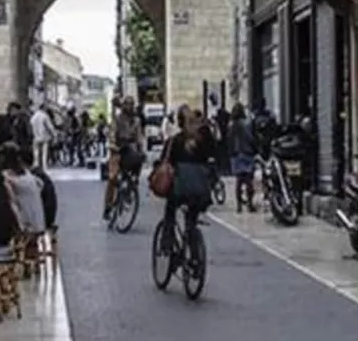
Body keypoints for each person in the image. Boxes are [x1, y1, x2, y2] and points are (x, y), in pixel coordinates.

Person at [158, 105, 219, 244]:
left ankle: (167, 239)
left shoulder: (174, 142)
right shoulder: (204, 140)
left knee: (170, 208)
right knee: (192, 217)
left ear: (179, 123)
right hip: (201, 191)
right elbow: (214, 156)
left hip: (180, 191)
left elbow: (164, 163)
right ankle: (192, 242)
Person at [105, 97, 144, 213]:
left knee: (139, 159)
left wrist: (141, 149)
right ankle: (108, 205)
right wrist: (113, 145)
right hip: (117, 149)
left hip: (129, 150)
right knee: (112, 178)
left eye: (132, 104)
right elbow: (112, 133)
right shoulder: (117, 119)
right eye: (128, 104)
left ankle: (132, 186)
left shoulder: (136, 121)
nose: (130, 107)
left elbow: (139, 137)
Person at [3, 144, 46, 236]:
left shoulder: (10, 180)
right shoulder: (31, 176)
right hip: (39, 223)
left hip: (28, 227)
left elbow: (12, 201)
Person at [228, 104, 258, 212]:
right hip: (246, 153)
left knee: (239, 180)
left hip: (235, 155)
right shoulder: (245, 124)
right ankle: (250, 203)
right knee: (249, 180)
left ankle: (239, 205)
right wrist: (255, 147)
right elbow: (250, 138)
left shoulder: (231, 125)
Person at [31, 103, 55, 172]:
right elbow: (50, 127)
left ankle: (36, 166)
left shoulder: (34, 116)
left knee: (36, 153)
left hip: (35, 137)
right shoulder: (45, 116)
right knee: (44, 153)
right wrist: (54, 134)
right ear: (43, 108)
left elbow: (31, 125)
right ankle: (44, 168)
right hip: (44, 137)